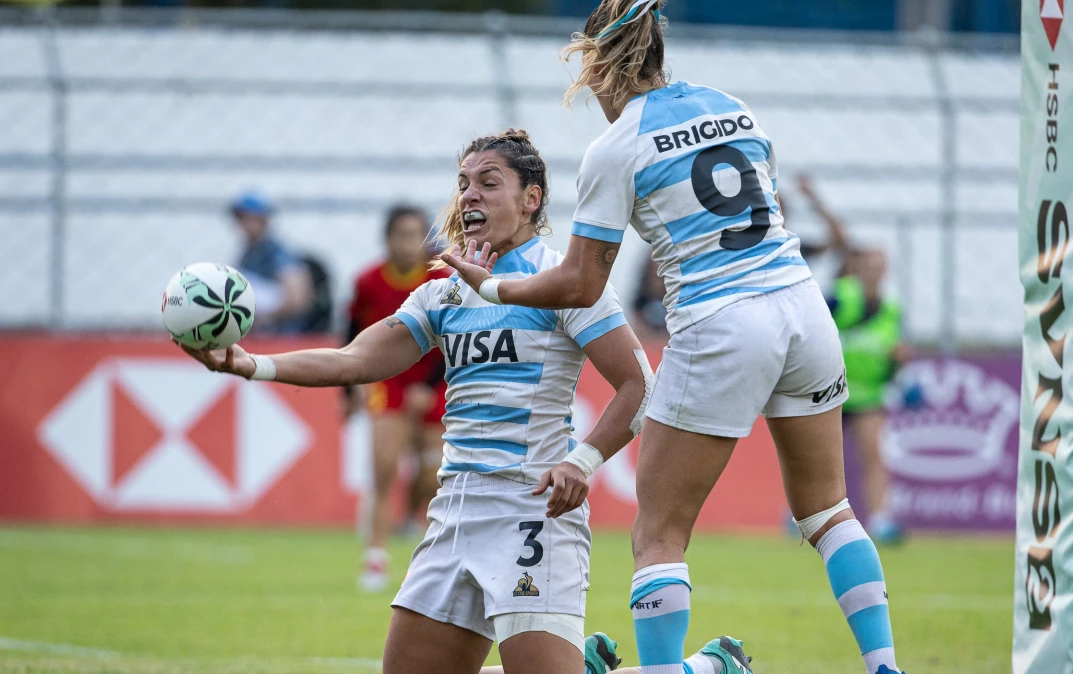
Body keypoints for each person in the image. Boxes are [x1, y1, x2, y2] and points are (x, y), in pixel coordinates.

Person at [439, 3, 903, 673]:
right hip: (803, 308)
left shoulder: (617, 146)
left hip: (722, 321)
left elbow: (579, 282)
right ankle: (884, 664)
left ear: (600, 66)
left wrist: (490, 286)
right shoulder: (733, 108)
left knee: (658, 535)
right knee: (829, 510)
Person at [183, 129, 747, 674]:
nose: (470, 193)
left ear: (531, 199)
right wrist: (251, 364)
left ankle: (701, 670)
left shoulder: (562, 281)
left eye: (489, 182)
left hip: (531, 512)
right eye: (463, 182)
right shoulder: (445, 288)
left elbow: (639, 384)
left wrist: (585, 459)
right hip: (454, 513)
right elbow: (355, 359)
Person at [797, 176, 915, 545]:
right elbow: (815, 331)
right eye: (869, 261)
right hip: (831, 390)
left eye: (881, 263)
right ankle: (798, 516)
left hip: (867, 395)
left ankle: (880, 520)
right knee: (813, 461)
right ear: (858, 266)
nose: (874, 268)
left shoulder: (892, 310)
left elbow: (894, 354)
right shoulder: (840, 298)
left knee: (873, 457)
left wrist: (900, 367)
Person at [347, 205, 452, 592]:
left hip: (430, 383)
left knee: (431, 472)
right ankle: (375, 557)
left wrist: (427, 386)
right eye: (400, 235)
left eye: (414, 235)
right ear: (388, 239)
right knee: (384, 465)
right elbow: (353, 329)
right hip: (387, 382)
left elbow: (452, 338)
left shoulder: (441, 279)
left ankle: (410, 517)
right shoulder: (369, 281)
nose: (407, 244)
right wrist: (349, 386)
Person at [228, 191, 316, 333]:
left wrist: (262, 317)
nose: (242, 224)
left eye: (248, 218)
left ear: (263, 220)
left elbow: (297, 299)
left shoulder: (278, 254)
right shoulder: (248, 254)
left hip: (281, 336)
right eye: (240, 218)